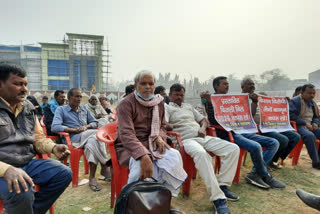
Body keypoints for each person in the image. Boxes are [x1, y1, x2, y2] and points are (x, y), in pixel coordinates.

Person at [0, 62, 72, 214]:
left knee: (63, 173)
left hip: (25, 164)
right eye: (17, 84)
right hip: (2, 170)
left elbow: (38, 138)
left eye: (25, 84)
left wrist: (53, 147)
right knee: (21, 189)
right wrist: (6, 170)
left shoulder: (27, 107)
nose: (24, 89)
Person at [115, 71, 187, 214]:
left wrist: (160, 136)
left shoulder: (159, 101)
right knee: (139, 168)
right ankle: (136, 206)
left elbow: (162, 125)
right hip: (130, 146)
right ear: (136, 85)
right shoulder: (125, 104)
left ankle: (164, 202)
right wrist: (143, 155)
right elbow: (126, 134)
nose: (148, 87)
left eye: (151, 83)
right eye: (143, 83)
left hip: (153, 142)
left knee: (174, 157)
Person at [166, 83, 239, 214]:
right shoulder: (166, 108)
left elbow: (203, 120)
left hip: (201, 136)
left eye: (181, 95)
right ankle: (218, 199)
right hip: (185, 140)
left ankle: (223, 185)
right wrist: (168, 126)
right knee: (202, 154)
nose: (179, 97)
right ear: (170, 95)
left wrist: (202, 128)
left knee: (233, 148)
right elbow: (164, 124)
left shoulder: (188, 107)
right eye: (176, 95)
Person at [202, 76, 286, 189]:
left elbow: (247, 116)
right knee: (256, 146)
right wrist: (210, 102)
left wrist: (254, 103)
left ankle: (255, 173)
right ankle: (265, 175)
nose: (227, 86)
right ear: (216, 86)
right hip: (228, 134)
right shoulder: (210, 99)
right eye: (224, 84)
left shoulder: (230, 98)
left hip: (240, 130)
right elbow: (213, 120)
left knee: (274, 142)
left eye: (227, 84)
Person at [51, 88, 111, 192]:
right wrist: (72, 130)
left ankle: (92, 178)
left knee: (92, 142)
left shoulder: (84, 109)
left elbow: (94, 122)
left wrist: (86, 127)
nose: (79, 99)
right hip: (73, 140)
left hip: (87, 136)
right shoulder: (61, 110)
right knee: (98, 134)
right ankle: (105, 165)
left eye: (80, 96)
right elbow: (55, 127)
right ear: (69, 98)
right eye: (76, 96)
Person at [242, 79, 301, 169]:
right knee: (283, 140)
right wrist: (254, 102)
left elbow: (272, 104)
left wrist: (284, 103)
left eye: (253, 84)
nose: (252, 86)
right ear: (243, 86)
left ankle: (273, 159)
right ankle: (269, 161)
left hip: (270, 125)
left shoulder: (257, 96)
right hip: (258, 128)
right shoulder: (239, 99)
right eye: (249, 84)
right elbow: (248, 117)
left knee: (295, 137)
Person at [289, 84, 320, 169]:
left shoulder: (313, 103)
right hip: (298, 126)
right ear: (302, 93)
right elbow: (291, 115)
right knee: (310, 136)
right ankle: (316, 162)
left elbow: (316, 117)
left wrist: (315, 123)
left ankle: (319, 158)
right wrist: (305, 123)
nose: (312, 95)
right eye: (309, 93)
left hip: (311, 125)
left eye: (313, 93)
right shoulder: (295, 101)